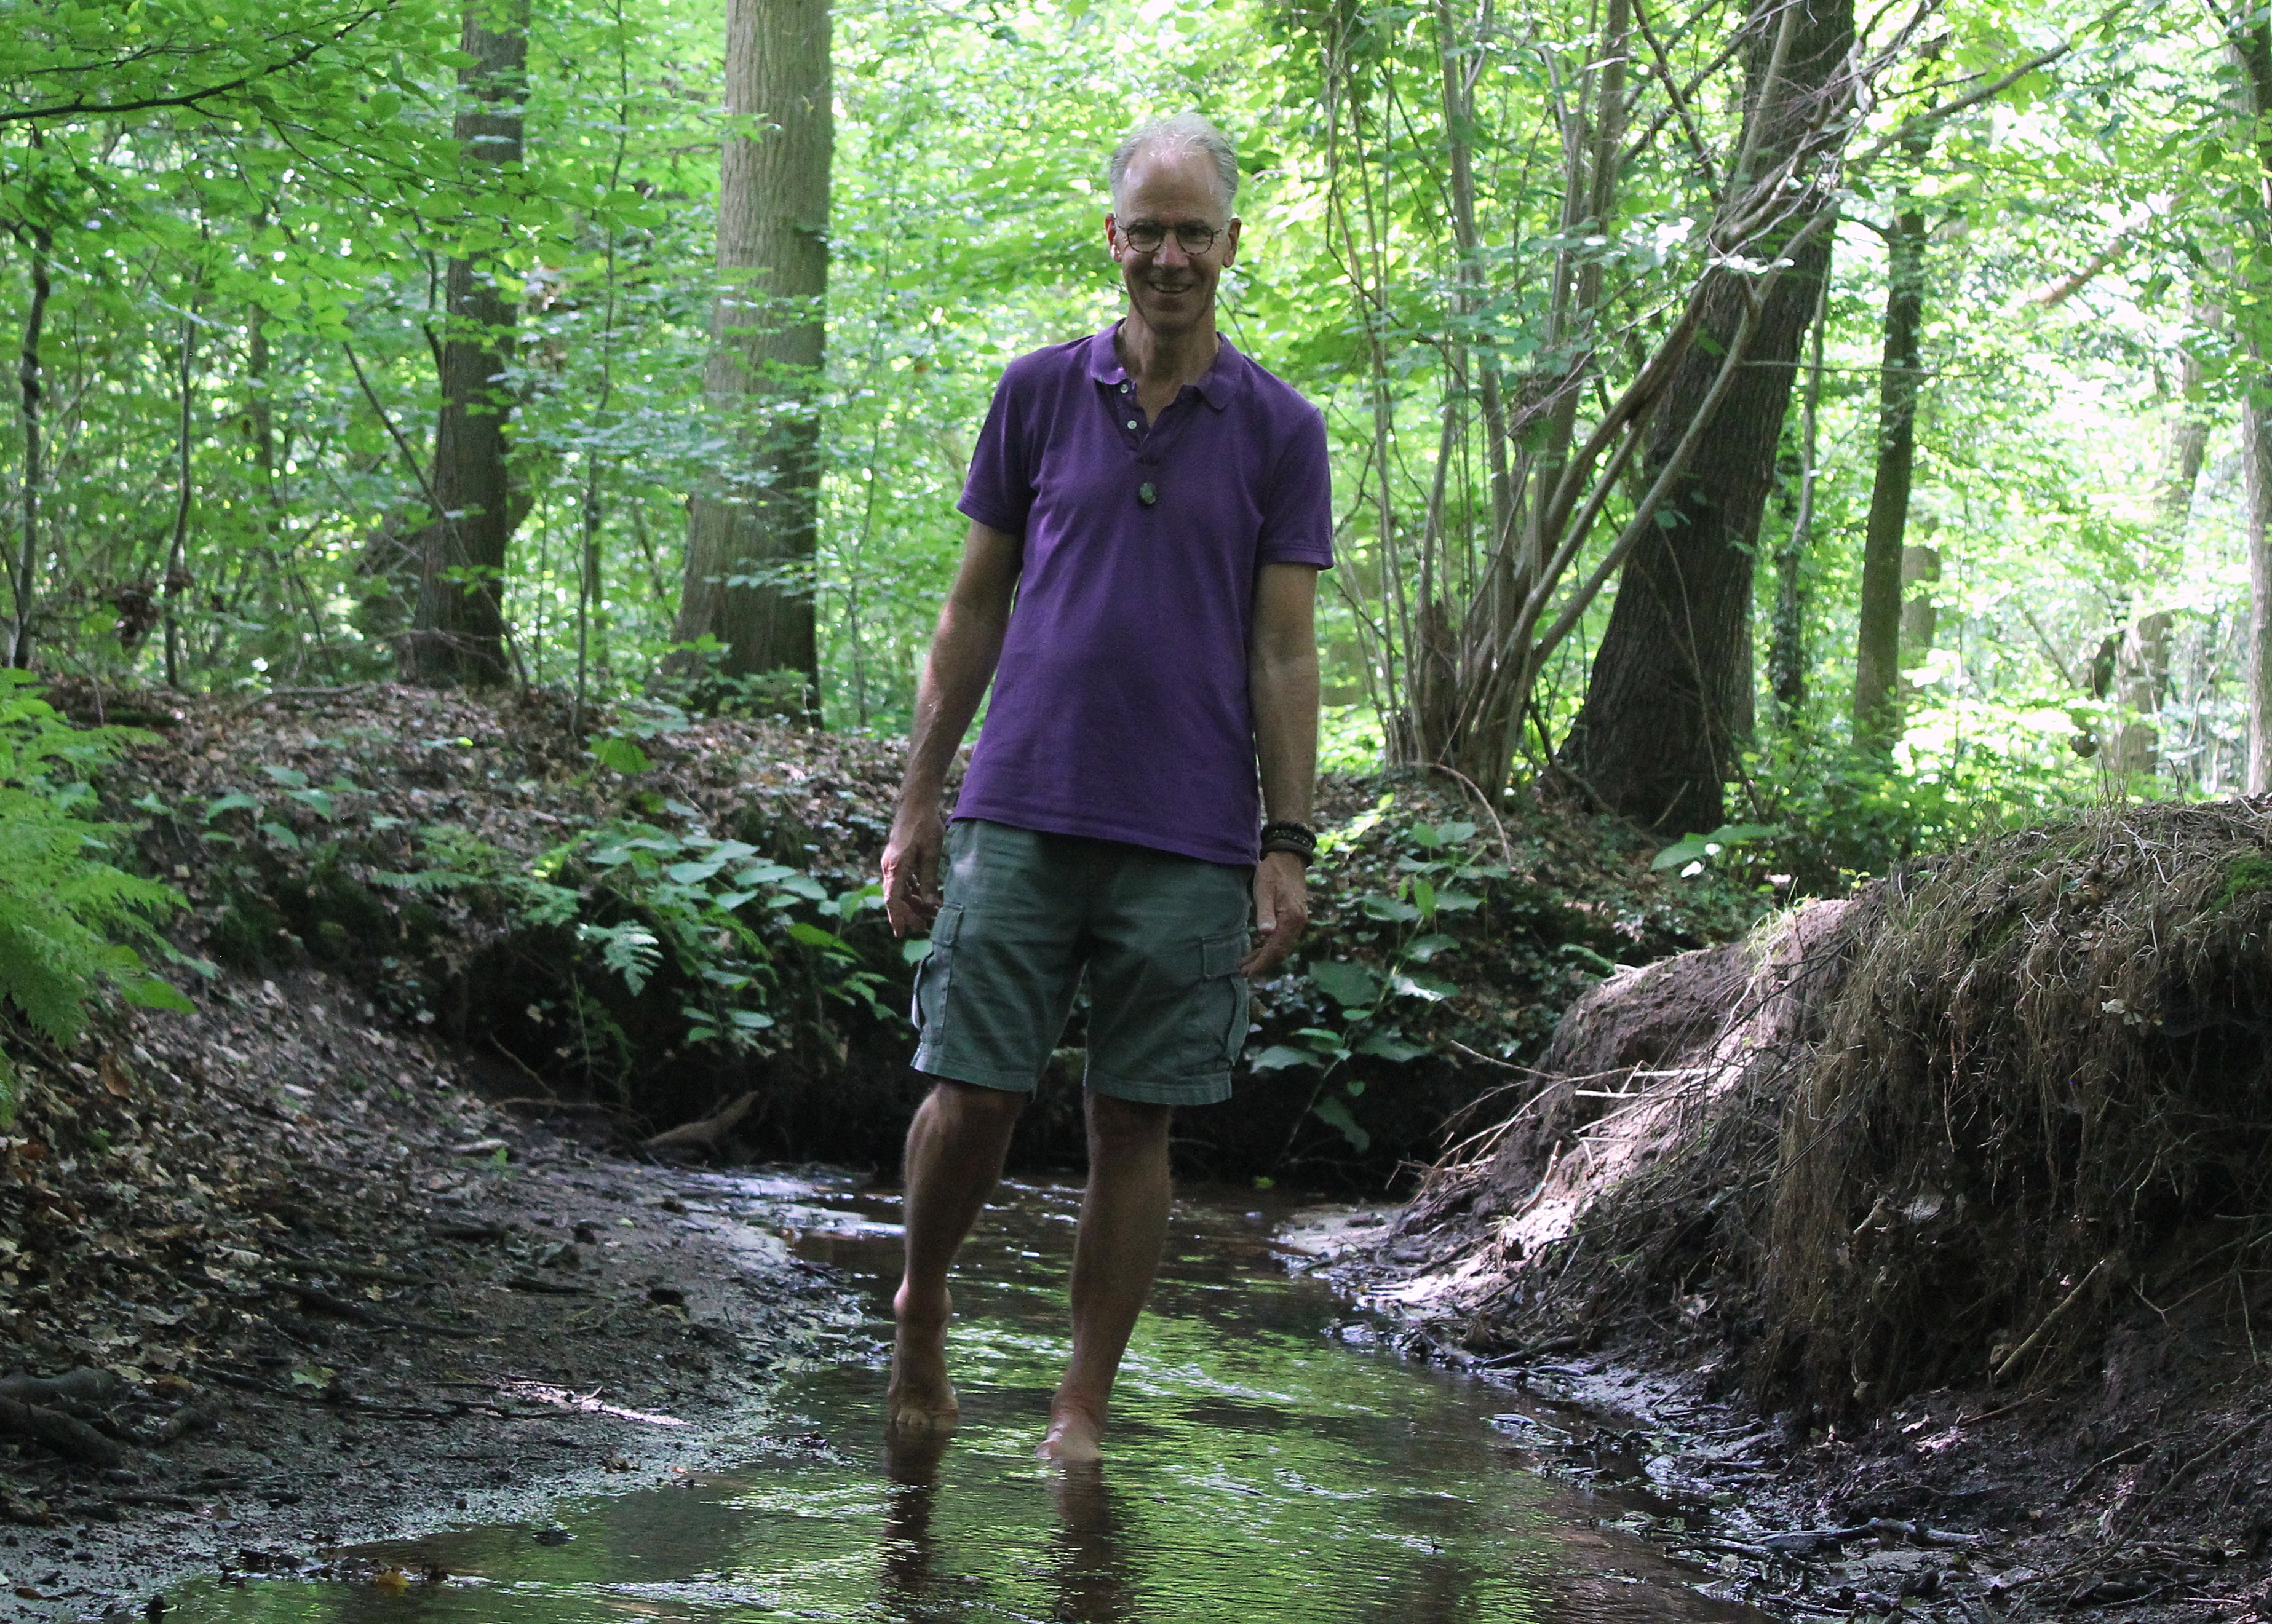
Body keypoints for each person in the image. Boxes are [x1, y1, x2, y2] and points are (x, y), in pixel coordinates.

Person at [878, 111, 1332, 1464]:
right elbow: (970, 609)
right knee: (972, 1090)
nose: (1169, 258)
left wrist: (1287, 839)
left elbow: (1283, 648)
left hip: (1188, 832)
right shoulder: (1034, 395)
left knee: (1134, 1120)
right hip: (1021, 801)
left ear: (1231, 243)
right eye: (1148, 232)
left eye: (1193, 233)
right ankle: (921, 1301)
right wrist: (916, 800)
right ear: (1112, 237)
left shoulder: (1280, 430)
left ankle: (1081, 1403)